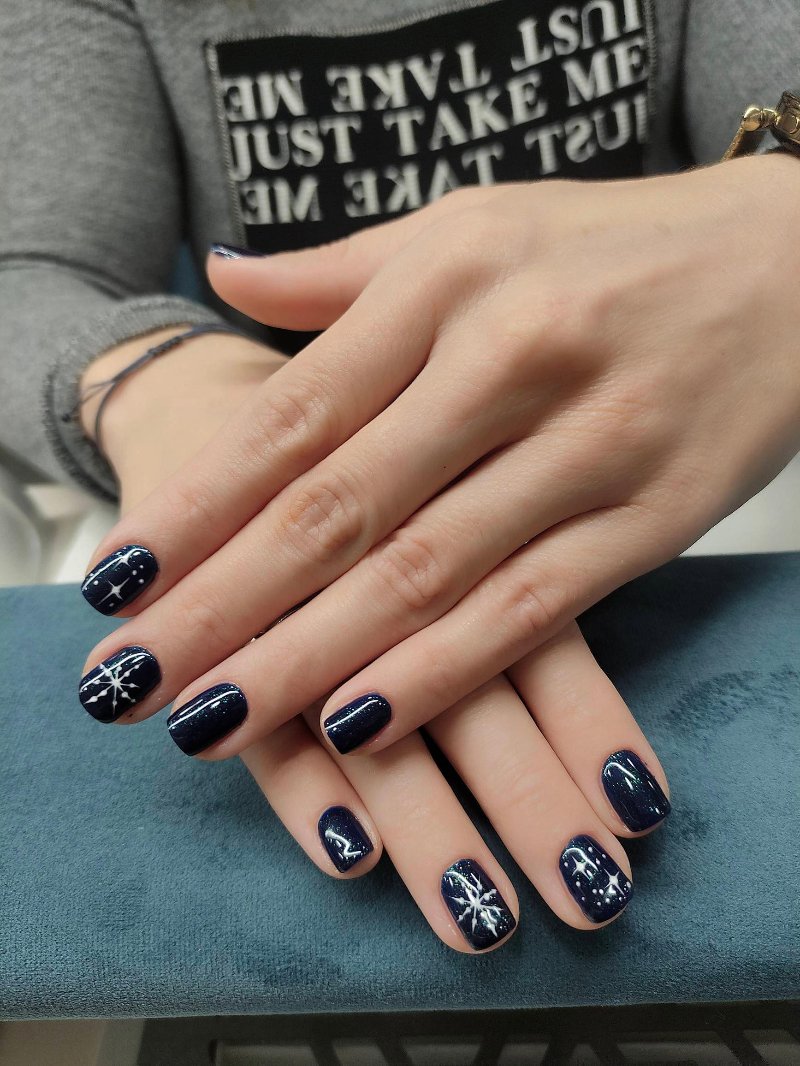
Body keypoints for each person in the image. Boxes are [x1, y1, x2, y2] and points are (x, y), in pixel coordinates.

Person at [2, 0, 799, 954]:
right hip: (290, 536)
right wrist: (162, 379)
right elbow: (33, 263)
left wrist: (779, 228)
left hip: (661, 487)